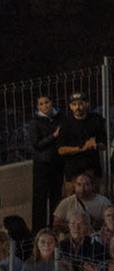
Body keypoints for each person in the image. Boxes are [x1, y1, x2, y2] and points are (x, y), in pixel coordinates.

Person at [29, 97, 66, 232]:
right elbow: (36, 144)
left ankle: (55, 228)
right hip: (42, 165)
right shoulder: (35, 122)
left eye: (47, 102)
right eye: (41, 104)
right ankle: (38, 231)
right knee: (40, 199)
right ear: (38, 107)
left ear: (52, 103)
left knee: (56, 196)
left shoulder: (60, 117)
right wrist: (53, 136)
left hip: (58, 163)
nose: (45, 106)